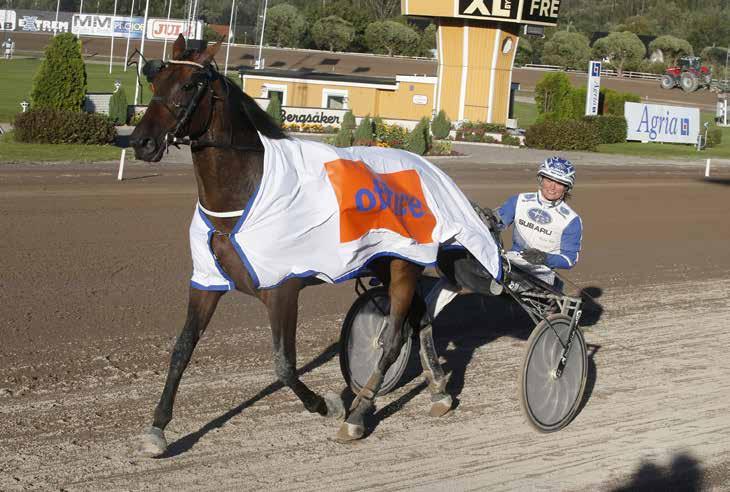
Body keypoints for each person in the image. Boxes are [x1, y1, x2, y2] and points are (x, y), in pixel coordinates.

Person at [494, 156, 583, 288]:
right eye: (549, 180)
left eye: (559, 183)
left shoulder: (572, 220)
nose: (552, 187)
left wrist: (545, 258)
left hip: (542, 274)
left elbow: (570, 259)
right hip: (511, 262)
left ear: (567, 188)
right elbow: (496, 224)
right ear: (541, 179)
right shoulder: (519, 200)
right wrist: (489, 218)